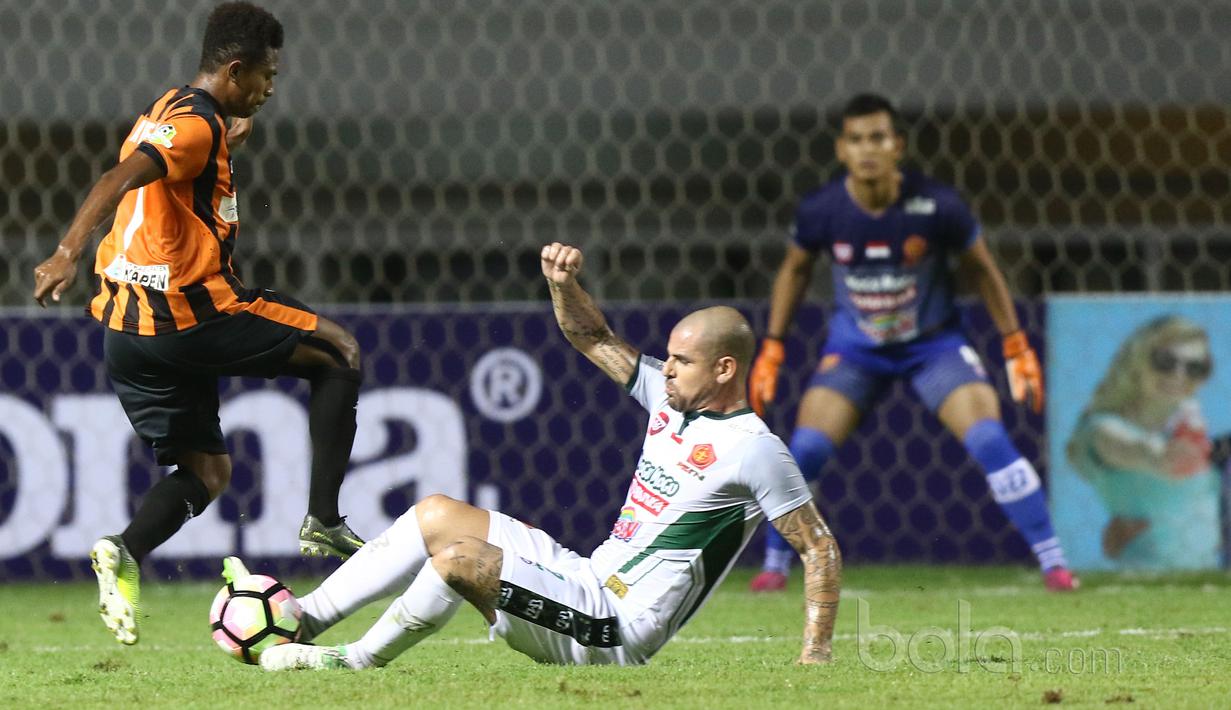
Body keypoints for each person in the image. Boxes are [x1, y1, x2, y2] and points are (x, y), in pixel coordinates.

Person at [254, 242, 842, 671]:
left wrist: (815, 653)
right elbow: (594, 338)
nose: (667, 370)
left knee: (460, 561)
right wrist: (564, 286)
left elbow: (818, 547)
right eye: (668, 357)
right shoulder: (670, 401)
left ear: (725, 370)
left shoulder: (755, 449)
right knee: (434, 513)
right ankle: (301, 619)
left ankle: (354, 661)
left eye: (682, 362)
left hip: (615, 629)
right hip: (586, 576)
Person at [30, 2, 365, 646]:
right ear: (235, 70)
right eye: (268, 74)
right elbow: (120, 176)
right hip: (187, 316)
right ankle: (323, 518)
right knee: (341, 353)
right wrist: (67, 250)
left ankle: (123, 551)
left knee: (208, 473)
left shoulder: (177, 109)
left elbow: (165, 172)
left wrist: (221, 143)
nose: (271, 88)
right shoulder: (191, 131)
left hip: (127, 336)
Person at [747, 93, 1077, 592]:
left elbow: (983, 269)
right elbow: (794, 270)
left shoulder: (936, 205)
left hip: (933, 348)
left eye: (878, 138)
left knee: (990, 438)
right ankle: (774, 567)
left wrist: (1015, 343)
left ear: (897, 145)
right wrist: (772, 346)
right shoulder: (823, 211)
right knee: (805, 449)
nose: (867, 149)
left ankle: (1055, 564)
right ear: (842, 150)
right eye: (856, 140)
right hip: (855, 351)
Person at [1065, 315, 1221, 569]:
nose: (1179, 375)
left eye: (1195, 367)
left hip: (1205, 580)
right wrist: (1163, 455)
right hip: (1146, 579)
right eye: (1165, 362)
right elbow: (1141, 452)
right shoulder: (1103, 428)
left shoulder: (1189, 424)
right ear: (1137, 360)